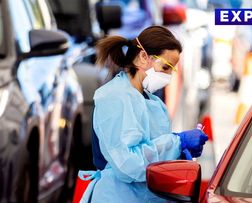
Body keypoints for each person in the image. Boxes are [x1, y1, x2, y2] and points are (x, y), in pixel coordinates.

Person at [80, 26, 208, 202]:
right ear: (143, 57)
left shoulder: (152, 102)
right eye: (165, 67)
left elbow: (151, 151)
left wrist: (177, 156)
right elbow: (128, 164)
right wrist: (177, 142)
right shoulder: (114, 97)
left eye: (172, 69)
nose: (169, 75)